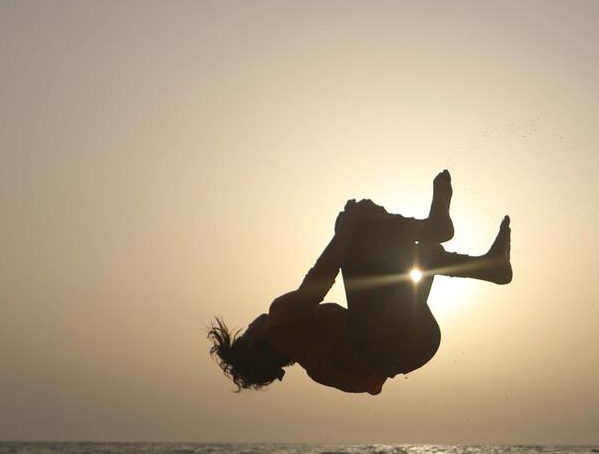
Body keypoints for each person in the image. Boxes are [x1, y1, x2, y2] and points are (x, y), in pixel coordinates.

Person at [208, 169, 512, 394]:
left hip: (421, 346)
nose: (249, 326)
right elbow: (322, 277)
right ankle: (433, 228)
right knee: (355, 230)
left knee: (414, 259)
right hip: (390, 336)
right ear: (257, 341)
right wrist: (347, 228)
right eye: (245, 335)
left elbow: (373, 386)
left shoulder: (319, 371)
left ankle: (488, 266)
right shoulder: (278, 320)